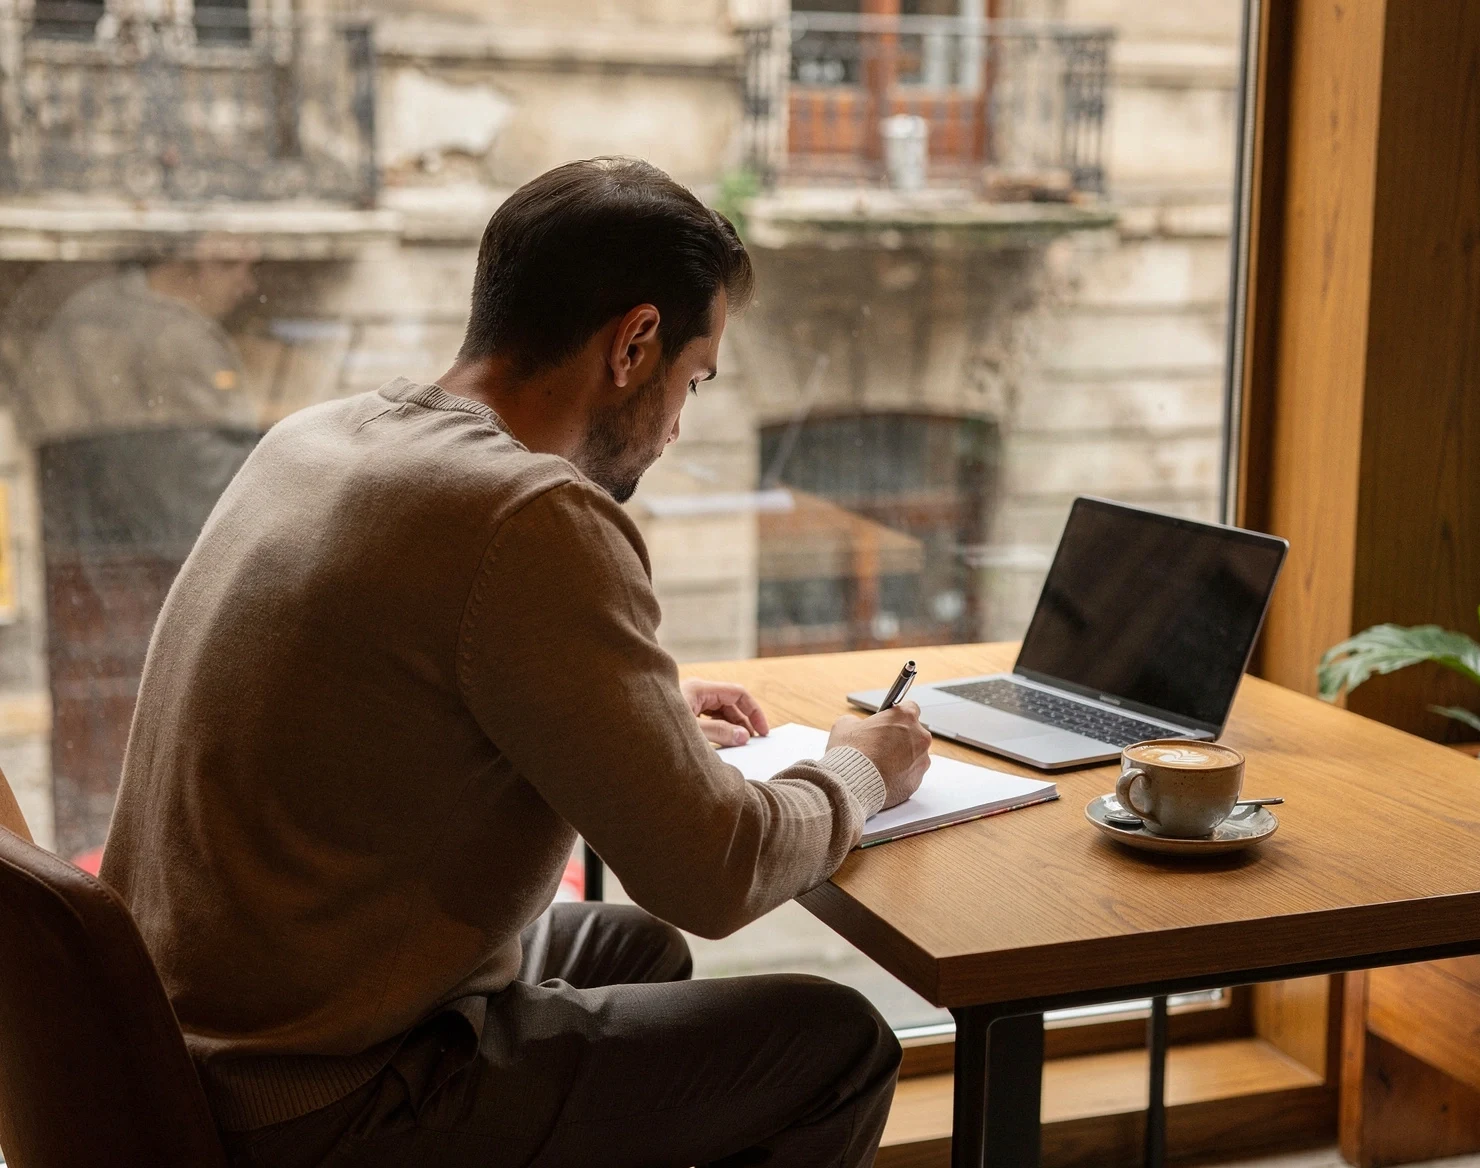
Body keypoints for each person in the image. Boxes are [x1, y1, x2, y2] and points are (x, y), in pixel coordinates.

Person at [99, 158, 933, 1168]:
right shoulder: (529, 513)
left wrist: (641, 706)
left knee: (636, 952)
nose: (677, 425)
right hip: (319, 1098)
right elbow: (717, 874)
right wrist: (862, 767)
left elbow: (393, 675)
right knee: (840, 1047)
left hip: (179, 1046)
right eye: (694, 378)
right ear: (635, 343)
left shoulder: (318, 439)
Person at [11, 248, 261, 858]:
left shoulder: (87, 314)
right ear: (187, 264)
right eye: (232, 264)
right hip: (151, 553)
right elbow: (202, 474)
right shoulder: (169, 333)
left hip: (90, 543)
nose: (248, 283)